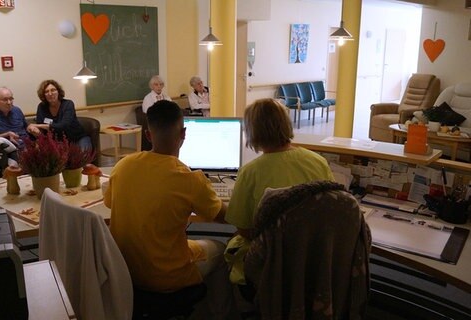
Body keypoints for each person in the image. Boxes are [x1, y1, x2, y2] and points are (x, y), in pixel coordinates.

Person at [104, 100, 233, 319]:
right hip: (168, 278)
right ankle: (222, 315)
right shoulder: (190, 179)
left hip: (126, 273)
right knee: (220, 251)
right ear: (183, 134)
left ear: (147, 135)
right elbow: (224, 216)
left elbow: (109, 202)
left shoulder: (122, 167)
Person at [224, 98, 335, 308]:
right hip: (311, 263)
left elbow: (245, 229)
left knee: (231, 248)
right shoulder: (318, 162)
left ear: (252, 132)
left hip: (268, 267)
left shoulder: (251, 172)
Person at [0, 86, 39, 160]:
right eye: (5, 100)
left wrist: (31, 128)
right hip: (9, 150)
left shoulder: (17, 110)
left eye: (11, 99)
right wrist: (6, 135)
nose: (9, 102)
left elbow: (25, 126)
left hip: (27, 144)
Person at [32, 79, 92, 150]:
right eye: (46, 92)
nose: (50, 94)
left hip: (77, 138)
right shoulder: (41, 107)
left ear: (58, 91)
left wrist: (38, 125)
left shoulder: (68, 104)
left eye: (53, 90)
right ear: (43, 95)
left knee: (84, 158)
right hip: (57, 142)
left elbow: (63, 126)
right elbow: (41, 129)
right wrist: (33, 131)